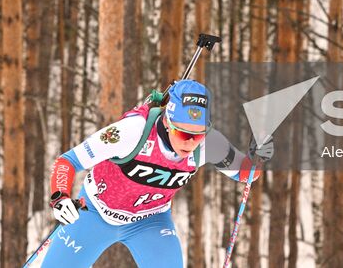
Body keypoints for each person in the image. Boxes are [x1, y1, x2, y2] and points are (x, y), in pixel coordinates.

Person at [30, 79, 272, 267]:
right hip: (95, 212)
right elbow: (68, 161)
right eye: (182, 133)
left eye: (197, 135)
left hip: (150, 222)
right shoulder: (131, 131)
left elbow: (245, 175)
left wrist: (257, 158)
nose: (189, 142)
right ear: (167, 121)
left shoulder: (209, 142)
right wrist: (59, 198)